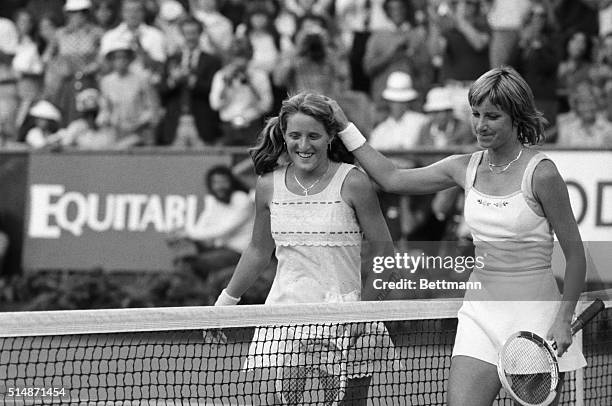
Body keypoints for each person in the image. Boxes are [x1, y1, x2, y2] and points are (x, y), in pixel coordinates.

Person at [332, 66, 587, 406]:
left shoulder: (541, 173)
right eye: (476, 114)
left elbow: (576, 255)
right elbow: (391, 178)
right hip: (479, 314)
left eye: (493, 116)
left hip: (534, 319)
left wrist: (563, 319)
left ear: (516, 117)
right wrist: (345, 127)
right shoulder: (463, 166)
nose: (481, 125)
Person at [214, 92, 400, 405]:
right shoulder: (267, 185)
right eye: (295, 135)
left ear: (330, 136)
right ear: (283, 135)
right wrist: (222, 307)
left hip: (347, 319)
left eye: (314, 135)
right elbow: (259, 251)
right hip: (287, 316)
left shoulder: (354, 182)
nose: (304, 145)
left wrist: (360, 318)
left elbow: (388, 261)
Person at [169, 165, 254, 283]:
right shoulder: (215, 200)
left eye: (223, 182)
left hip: (239, 253)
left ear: (232, 182)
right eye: (215, 182)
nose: (219, 186)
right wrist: (183, 234)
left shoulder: (242, 199)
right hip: (219, 248)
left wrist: (188, 233)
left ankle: (199, 293)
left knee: (190, 264)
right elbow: (202, 225)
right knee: (183, 258)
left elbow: (224, 229)